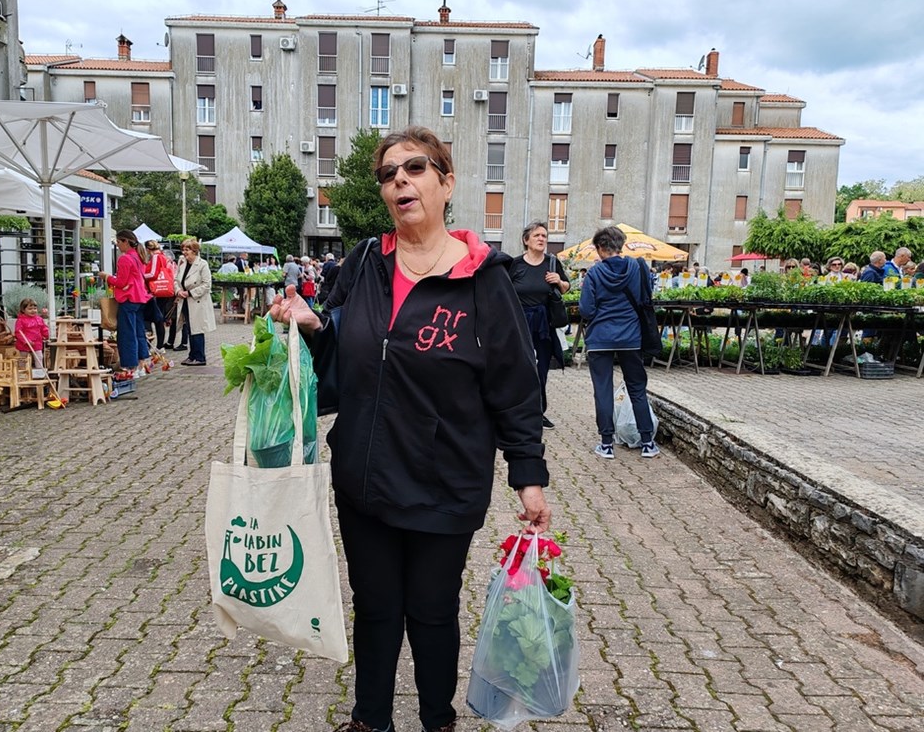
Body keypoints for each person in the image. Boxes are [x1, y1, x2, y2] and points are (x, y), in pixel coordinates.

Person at [269, 125, 550, 732]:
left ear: (446, 183)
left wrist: (528, 475)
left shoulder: (485, 279)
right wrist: (312, 325)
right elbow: (342, 352)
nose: (400, 180)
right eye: (388, 174)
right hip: (365, 474)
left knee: (430, 611)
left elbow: (515, 384)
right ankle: (370, 720)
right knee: (374, 608)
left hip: (444, 480)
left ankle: (436, 720)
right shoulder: (365, 262)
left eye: (416, 168)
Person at [578, 225, 660, 460]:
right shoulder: (636, 267)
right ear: (620, 245)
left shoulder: (594, 273)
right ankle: (647, 443)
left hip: (600, 338)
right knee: (636, 388)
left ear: (600, 248)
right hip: (631, 337)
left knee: (603, 390)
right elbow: (645, 297)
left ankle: (606, 444)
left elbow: (586, 309)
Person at [509, 221, 570, 429]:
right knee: (520, 367)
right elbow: (503, 291)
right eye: (537, 235)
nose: (542, 239)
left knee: (541, 369)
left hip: (544, 323)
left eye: (544, 236)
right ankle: (517, 411)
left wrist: (559, 281)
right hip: (520, 323)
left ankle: (538, 411)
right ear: (526, 240)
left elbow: (566, 287)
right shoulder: (515, 265)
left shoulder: (552, 263)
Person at [98, 229, 151, 377]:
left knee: (127, 333)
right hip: (140, 298)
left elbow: (121, 282)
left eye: (118, 242)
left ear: (125, 241)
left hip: (128, 298)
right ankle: (141, 364)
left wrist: (106, 277)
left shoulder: (125, 258)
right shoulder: (139, 256)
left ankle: (129, 367)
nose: (117, 245)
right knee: (139, 331)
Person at [174, 238, 216, 366]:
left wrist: (190, 293)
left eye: (187, 249)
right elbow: (176, 280)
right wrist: (178, 291)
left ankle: (200, 357)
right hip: (185, 301)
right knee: (189, 328)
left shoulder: (202, 264)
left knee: (197, 329)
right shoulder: (182, 263)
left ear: (194, 251)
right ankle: (192, 355)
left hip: (197, 301)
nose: (184, 252)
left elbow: (207, 285)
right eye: (183, 249)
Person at [144, 240, 177, 350]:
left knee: (152, 318)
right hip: (164, 289)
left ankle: (156, 345)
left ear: (148, 249)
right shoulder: (163, 256)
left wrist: (142, 276)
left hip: (156, 290)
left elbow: (153, 274)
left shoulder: (155, 257)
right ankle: (160, 345)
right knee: (160, 318)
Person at [14, 298, 50, 378]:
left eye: (35, 308)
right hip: (24, 344)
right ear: (23, 310)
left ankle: (39, 374)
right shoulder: (21, 320)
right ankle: (22, 373)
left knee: (39, 357)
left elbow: (43, 328)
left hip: (37, 342)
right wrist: (26, 340)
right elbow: (18, 332)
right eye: (30, 309)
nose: (33, 310)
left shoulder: (39, 319)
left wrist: (47, 335)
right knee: (23, 359)